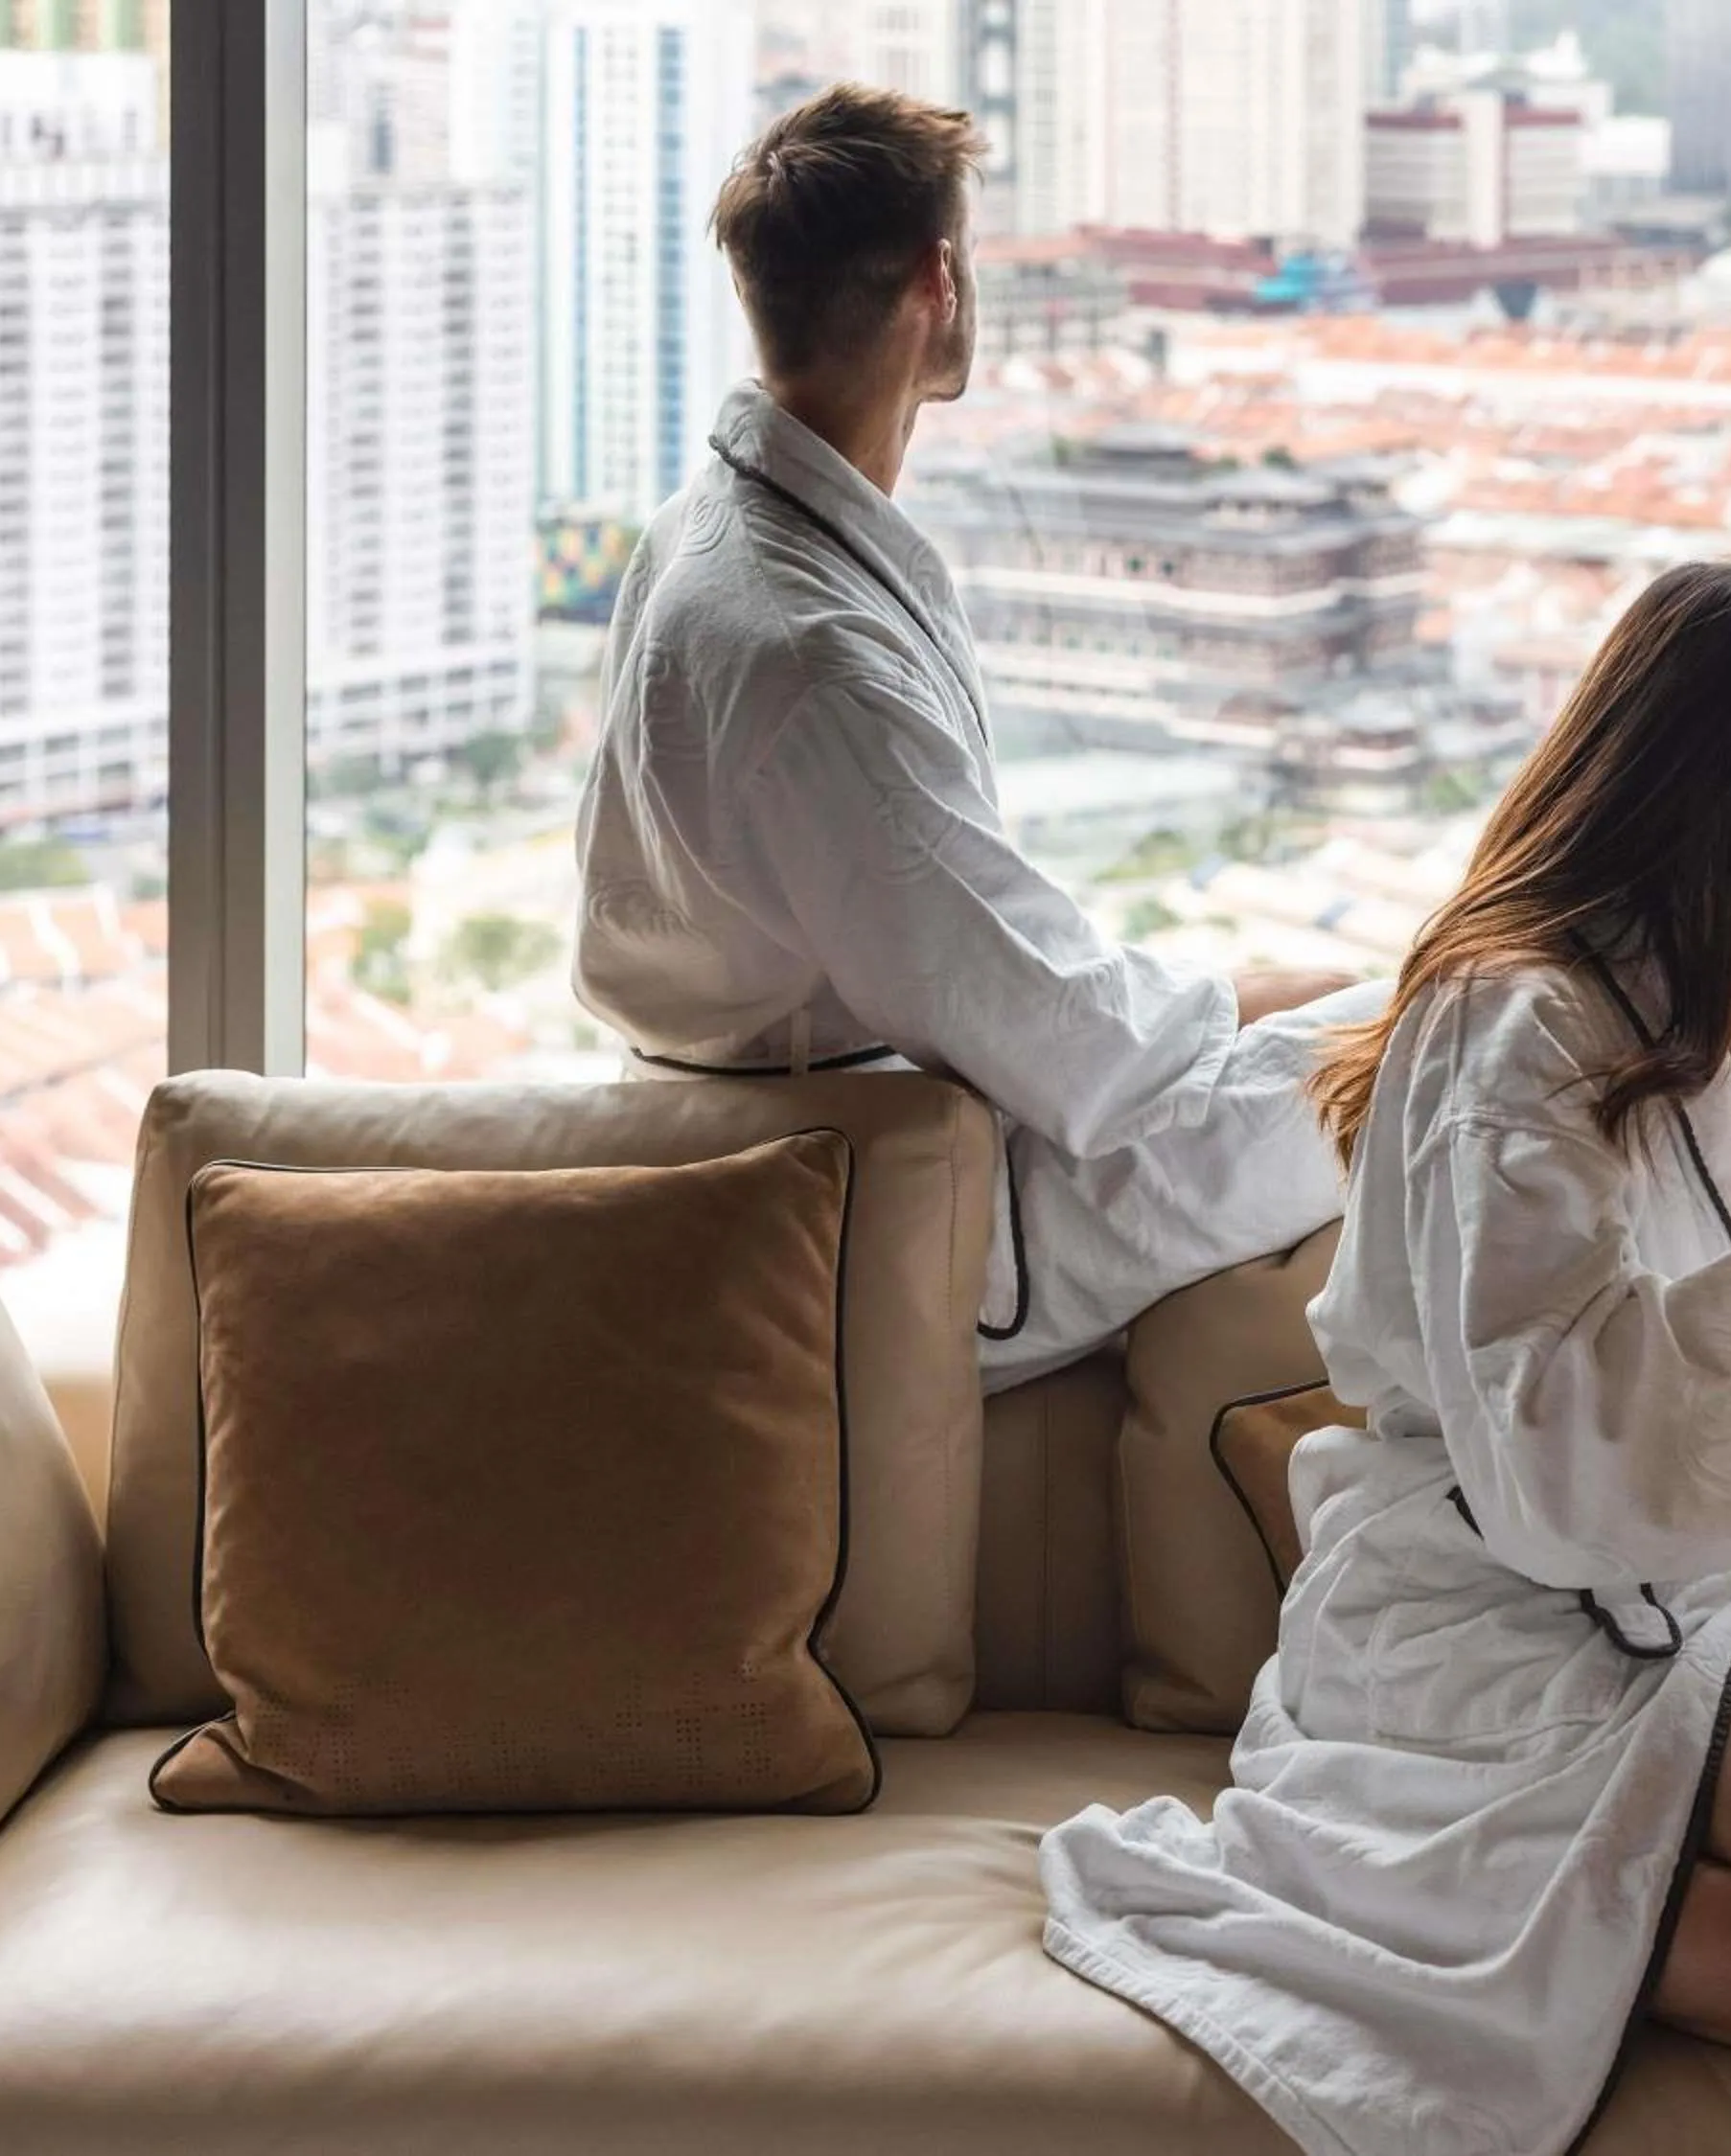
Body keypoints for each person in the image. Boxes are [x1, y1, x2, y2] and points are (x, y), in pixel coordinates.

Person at [1039, 562, 1731, 2156]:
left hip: (1668, 1578)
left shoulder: (1718, 987)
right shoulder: (1513, 1025)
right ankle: (1410, 1886)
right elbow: (1553, 1415)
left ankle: (1577, 1891)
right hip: (1482, 1589)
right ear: (1720, 771)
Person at [571, 86, 1375, 1388]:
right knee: (1438, 1027)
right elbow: (1077, 1051)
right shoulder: (812, 655)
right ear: (941, 281)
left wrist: (1233, 994)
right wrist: (1244, 994)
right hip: (871, 1216)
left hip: (796, 1128)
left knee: (1362, 1005)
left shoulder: (702, 535)